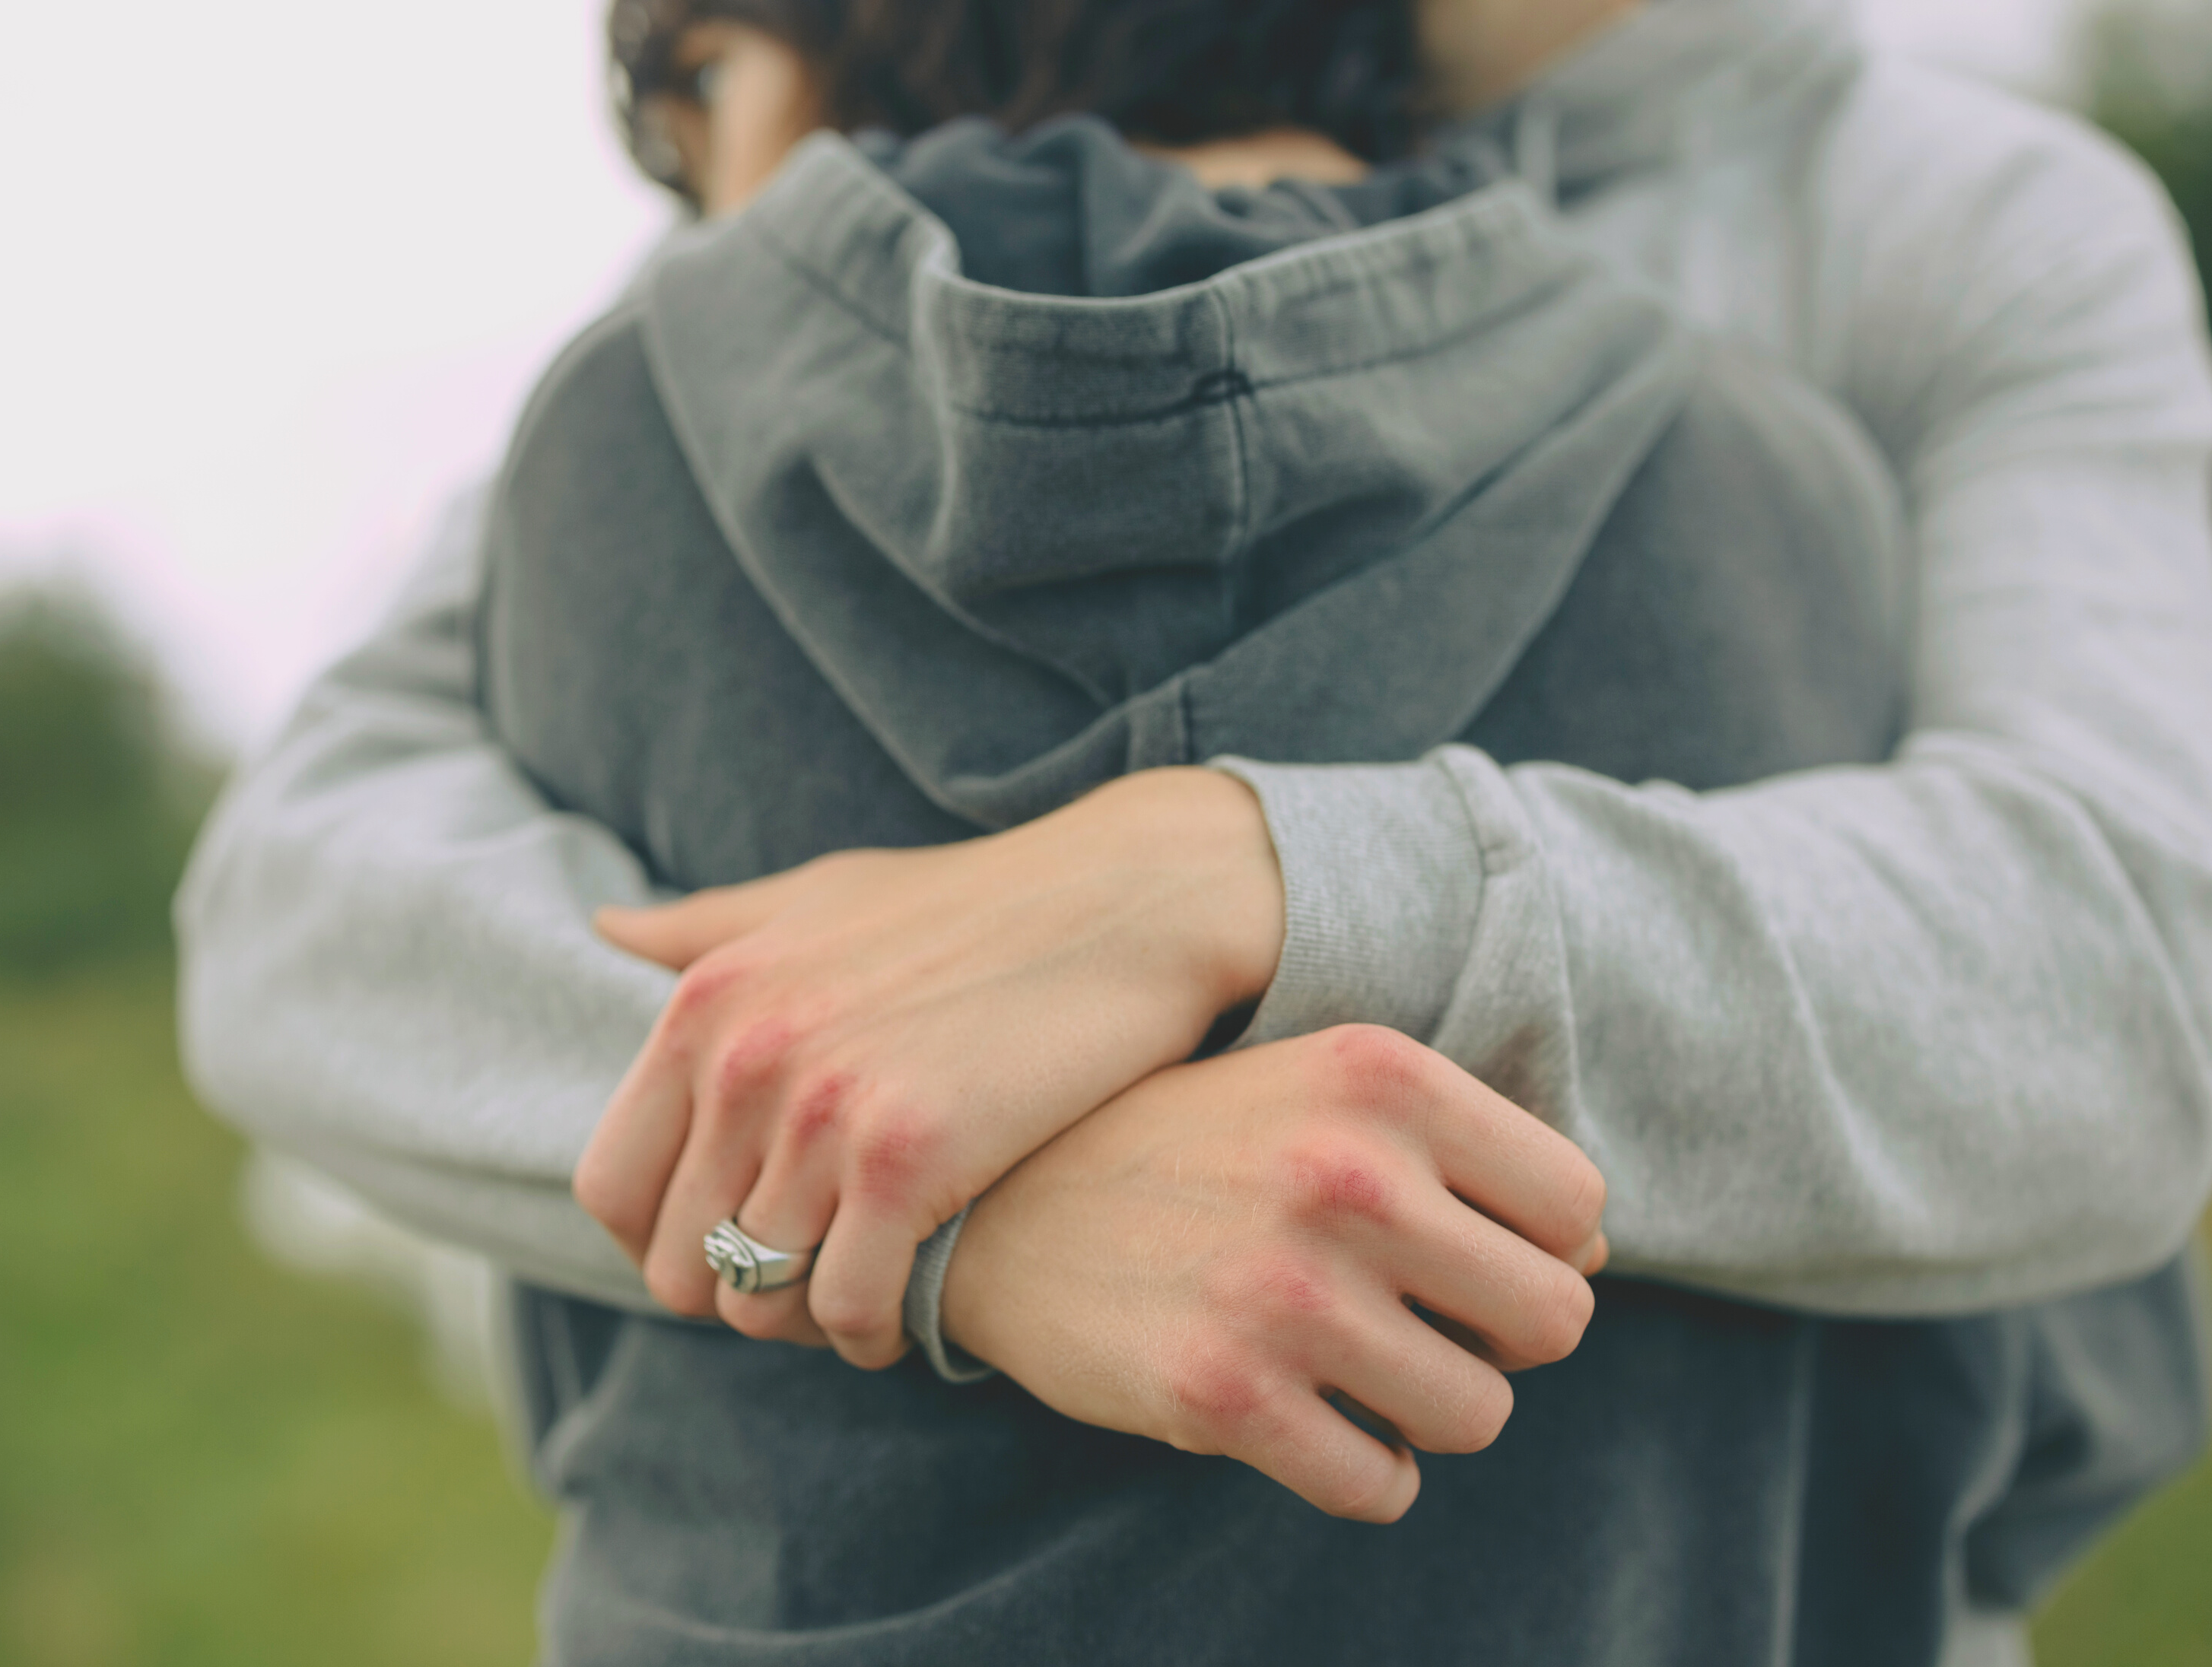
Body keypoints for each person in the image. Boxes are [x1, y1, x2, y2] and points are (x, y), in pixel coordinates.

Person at [176, 0, 2212, 1661]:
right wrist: (944, 1206)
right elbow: (300, 911)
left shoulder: (1956, 230)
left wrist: (1240, 876)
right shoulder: (714, 350)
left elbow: (2124, 996)